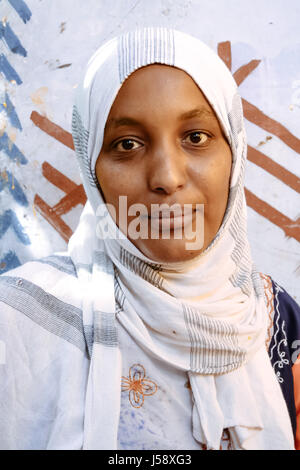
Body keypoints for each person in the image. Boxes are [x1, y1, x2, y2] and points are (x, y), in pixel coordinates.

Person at [0, 27, 299, 450]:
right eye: (127, 144)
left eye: (196, 138)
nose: (166, 178)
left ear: (234, 154)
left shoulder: (276, 321)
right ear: (93, 172)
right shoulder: (18, 319)